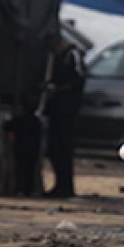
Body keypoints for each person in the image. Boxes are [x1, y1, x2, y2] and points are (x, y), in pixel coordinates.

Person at [42, 35, 87, 198]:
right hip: (58, 109)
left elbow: (78, 81)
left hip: (66, 110)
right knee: (55, 150)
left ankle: (65, 186)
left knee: (63, 149)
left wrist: (58, 89)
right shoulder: (57, 57)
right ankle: (60, 185)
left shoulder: (72, 55)